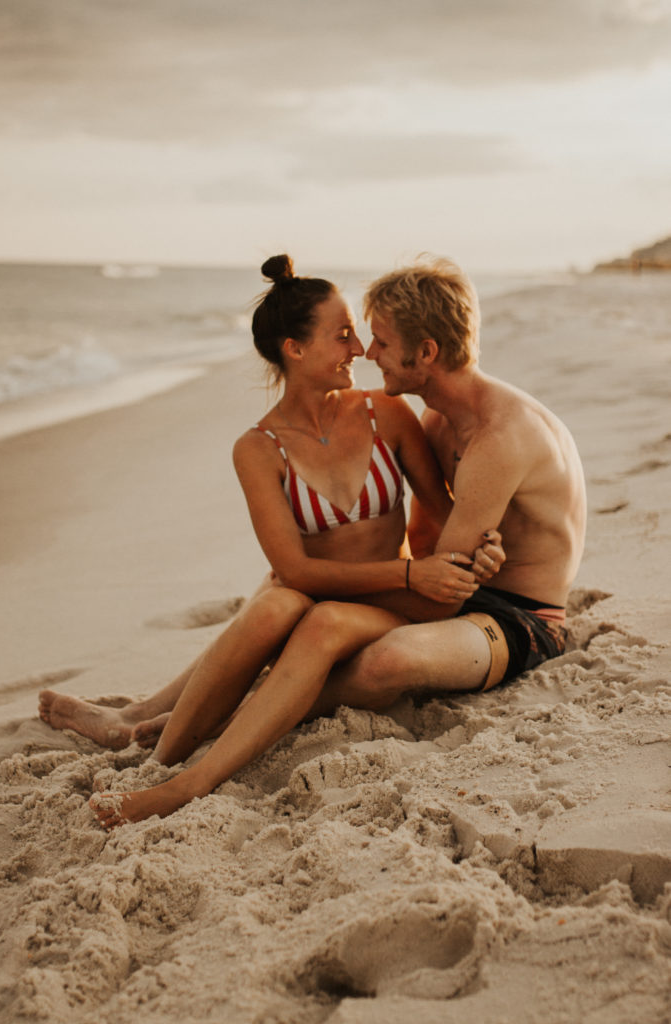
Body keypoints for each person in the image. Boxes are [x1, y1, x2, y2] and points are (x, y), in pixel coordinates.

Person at [38, 255, 503, 828]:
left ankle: (182, 775)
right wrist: (409, 571)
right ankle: (154, 758)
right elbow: (295, 569)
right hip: (328, 594)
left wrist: (477, 551)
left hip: (390, 607)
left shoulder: (387, 414)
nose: (358, 348)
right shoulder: (258, 448)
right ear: (294, 349)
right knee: (278, 603)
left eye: (357, 333)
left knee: (297, 607)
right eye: (342, 335)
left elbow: (444, 512)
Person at [298, 256, 587, 721]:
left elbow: (440, 597)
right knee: (292, 587)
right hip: (464, 595)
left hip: (523, 618)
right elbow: (427, 544)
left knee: (384, 661)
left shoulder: (500, 437)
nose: (370, 354)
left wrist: (333, 587)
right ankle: (187, 703)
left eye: (383, 342)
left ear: (427, 352)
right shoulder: (437, 418)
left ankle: (248, 712)